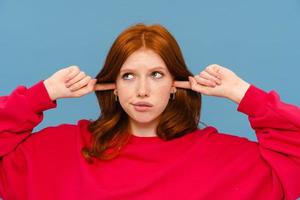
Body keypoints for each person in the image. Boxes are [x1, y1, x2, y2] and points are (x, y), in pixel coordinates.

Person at [0, 23, 299, 200]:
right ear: (112, 84)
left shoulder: (225, 158)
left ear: (174, 84)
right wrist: (40, 95)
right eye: (128, 76)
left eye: (156, 74)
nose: (142, 90)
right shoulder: (61, 151)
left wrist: (243, 93)